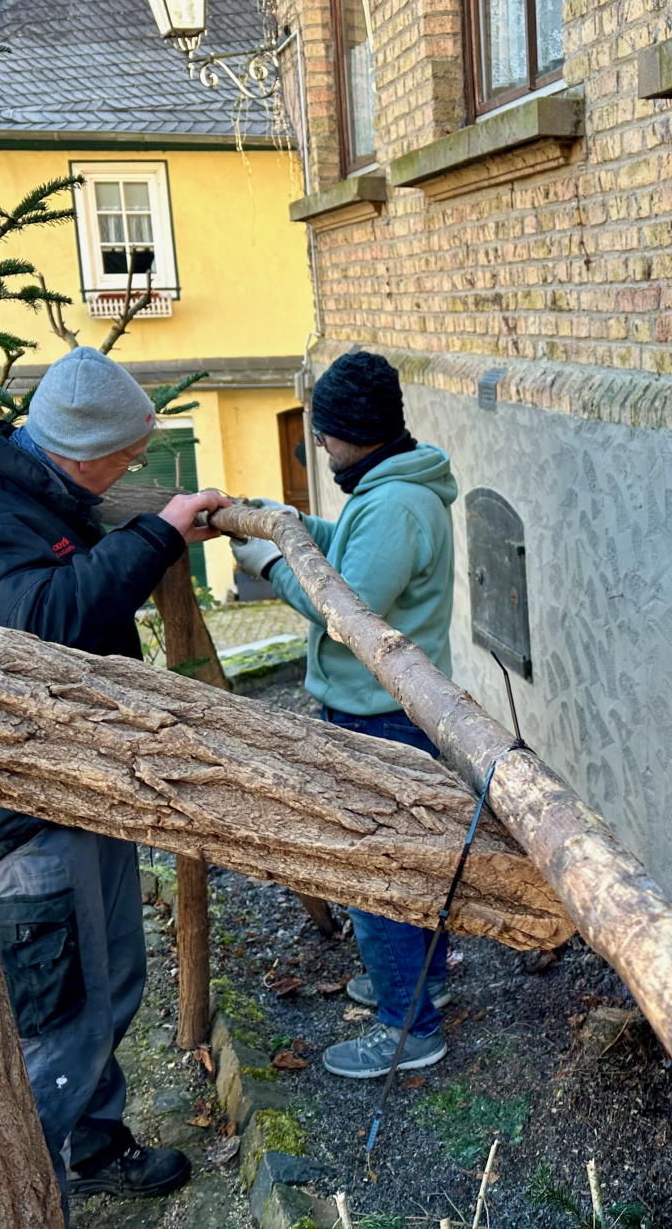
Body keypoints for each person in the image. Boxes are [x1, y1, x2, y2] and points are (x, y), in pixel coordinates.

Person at [0, 346, 231, 1213]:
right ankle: (24, 1196)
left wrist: (150, 531)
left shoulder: (31, 493)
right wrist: (158, 534)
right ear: (84, 452)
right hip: (22, 817)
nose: (132, 468)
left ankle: (90, 1144)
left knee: (107, 981)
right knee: (55, 1015)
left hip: (71, 792)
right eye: (127, 457)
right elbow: (44, 621)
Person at [230, 349, 461, 1080]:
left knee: (374, 875)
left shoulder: (393, 505)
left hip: (377, 715)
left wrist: (271, 566)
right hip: (389, 708)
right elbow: (349, 549)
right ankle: (420, 983)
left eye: (325, 434)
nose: (320, 446)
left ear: (355, 431)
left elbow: (345, 607)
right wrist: (289, 524)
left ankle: (407, 1028)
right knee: (406, 862)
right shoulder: (388, 487)